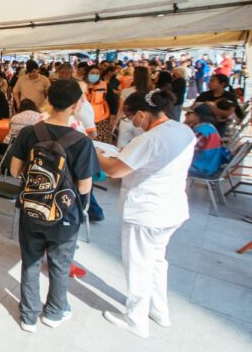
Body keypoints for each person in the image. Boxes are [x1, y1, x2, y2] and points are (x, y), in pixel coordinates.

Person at [96, 89, 194, 338]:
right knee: (157, 263)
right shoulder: (182, 130)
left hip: (147, 210)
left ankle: (136, 319)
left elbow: (116, 171)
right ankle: (159, 310)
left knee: (139, 265)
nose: (133, 123)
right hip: (171, 207)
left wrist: (98, 156)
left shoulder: (149, 139)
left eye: (131, 118)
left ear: (141, 114)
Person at [10, 79, 96, 333]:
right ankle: (54, 313)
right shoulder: (81, 142)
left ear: (48, 100)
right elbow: (84, 187)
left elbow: (15, 170)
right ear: (75, 105)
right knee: (59, 264)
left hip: (32, 209)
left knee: (31, 261)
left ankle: (28, 316)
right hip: (65, 215)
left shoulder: (30, 132)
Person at [184, 104, 227, 178]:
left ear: (197, 115)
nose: (185, 115)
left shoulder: (201, 131)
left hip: (201, 167)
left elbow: (187, 150)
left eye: (188, 113)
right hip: (211, 165)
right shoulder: (209, 127)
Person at [85, 65, 112, 142]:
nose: (95, 75)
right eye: (92, 73)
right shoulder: (81, 85)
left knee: (101, 140)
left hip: (101, 119)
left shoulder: (104, 85)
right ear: (87, 74)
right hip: (85, 119)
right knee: (87, 141)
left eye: (97, 73)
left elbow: (112, 101)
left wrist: (113, 117)